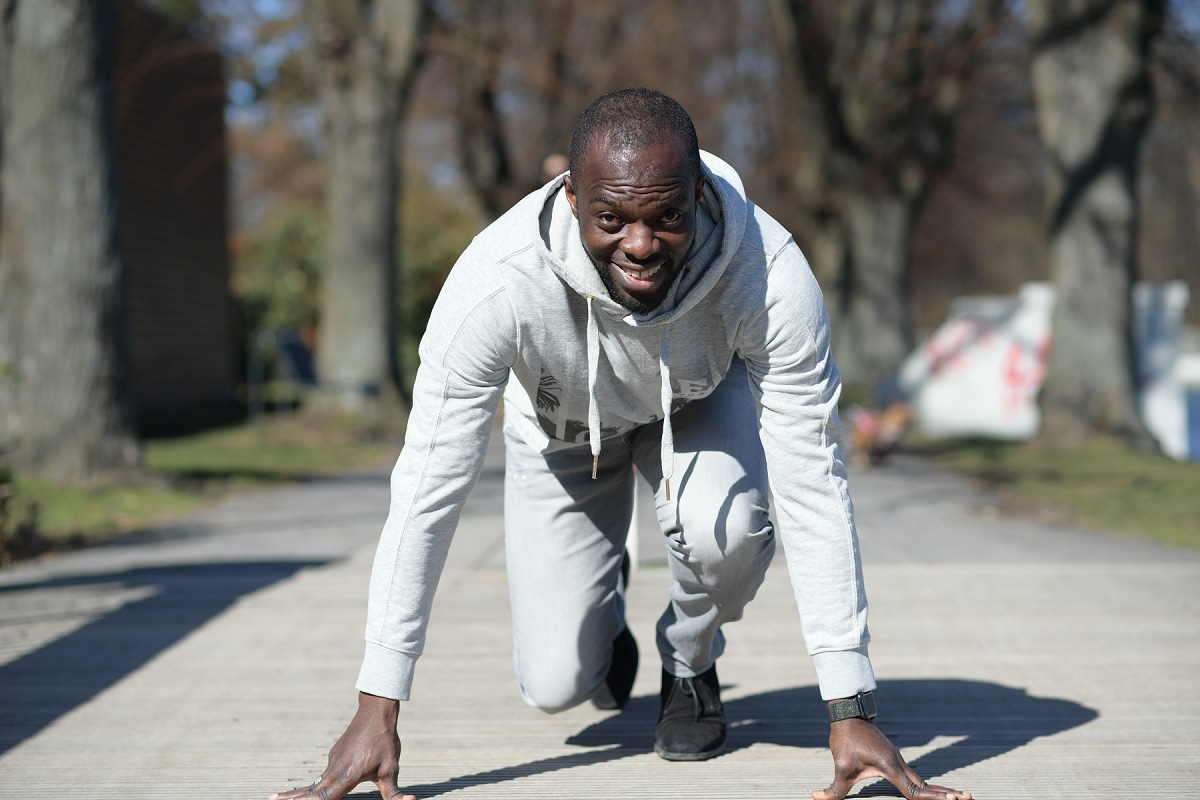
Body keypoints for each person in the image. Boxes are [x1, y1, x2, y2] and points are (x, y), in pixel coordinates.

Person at [270, 88, 971, 800]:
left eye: (667, 217)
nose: (640, 245)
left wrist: (850, 705)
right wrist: (376, 703)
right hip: (563, 431)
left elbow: (814, 478)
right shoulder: (495, 285)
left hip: (694, 402)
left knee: (726, 529)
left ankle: (690, 661)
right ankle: (605, 627)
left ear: (698, 193)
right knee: (552, 684)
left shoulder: (769, 275)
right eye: (612, 219)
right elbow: (426, 488)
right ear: (572, 199)